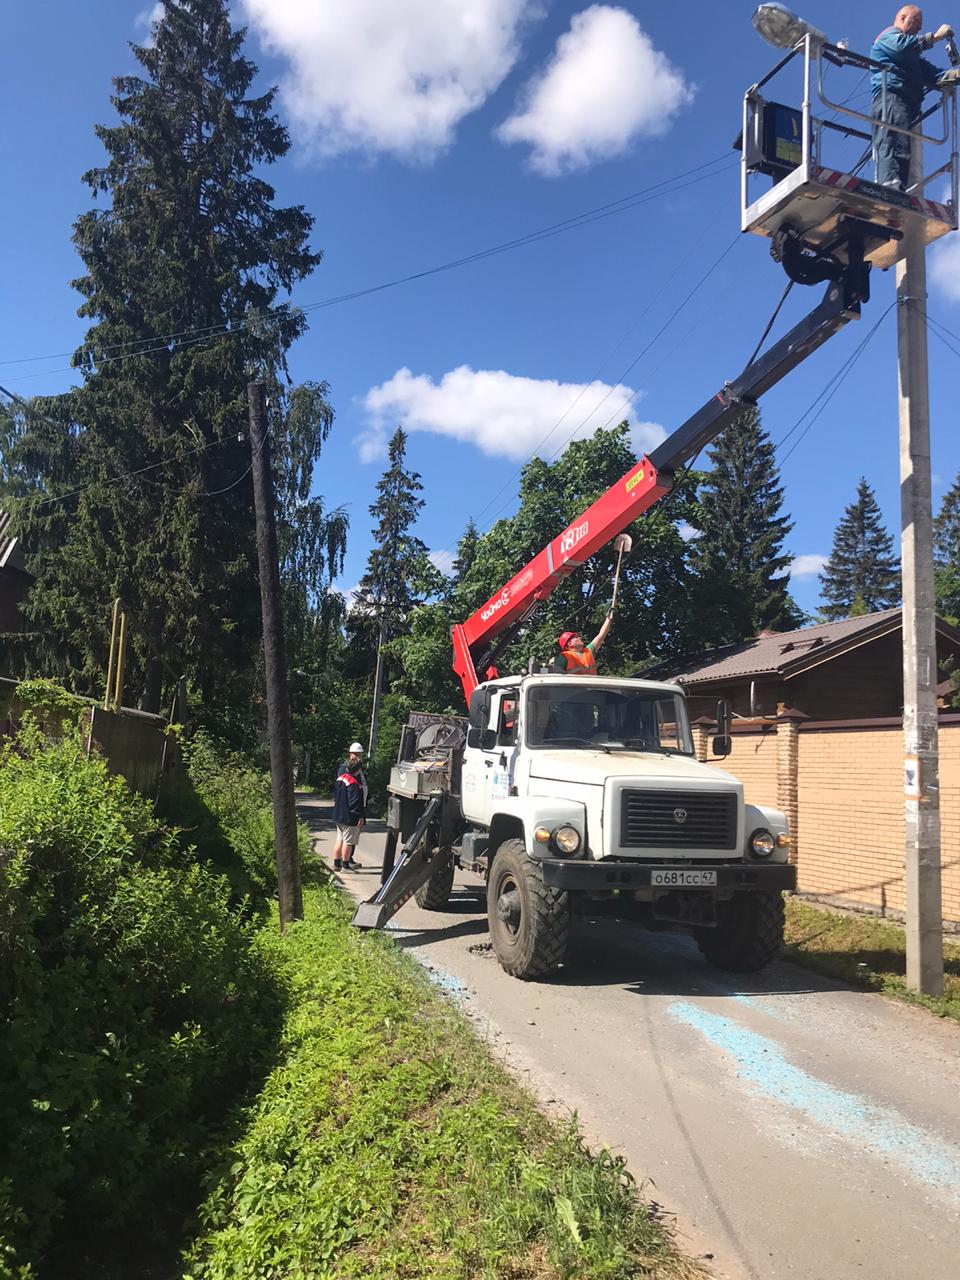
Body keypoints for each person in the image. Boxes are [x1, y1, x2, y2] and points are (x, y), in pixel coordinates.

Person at [871, 8, 958, 192]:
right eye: (915, 24)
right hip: (891, 98)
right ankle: (889, 186)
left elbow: (936, 76)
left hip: (907, 106)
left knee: (902, 147)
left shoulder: (913, 59)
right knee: (893, 142)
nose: (917, 30)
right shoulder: (888, 37)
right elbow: (902, 47)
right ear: (902, 18)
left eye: (920, 28)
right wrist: (935, 37)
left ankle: (898, 188)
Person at [332, 743, 367, 871]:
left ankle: (336, 864)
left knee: (339, 839)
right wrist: (358, 816)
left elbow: (337, 794)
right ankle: (345, 864)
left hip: (339, 814)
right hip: (349, 817)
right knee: (348, 841)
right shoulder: (353, 783)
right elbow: (354, 802)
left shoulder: (342, 778)